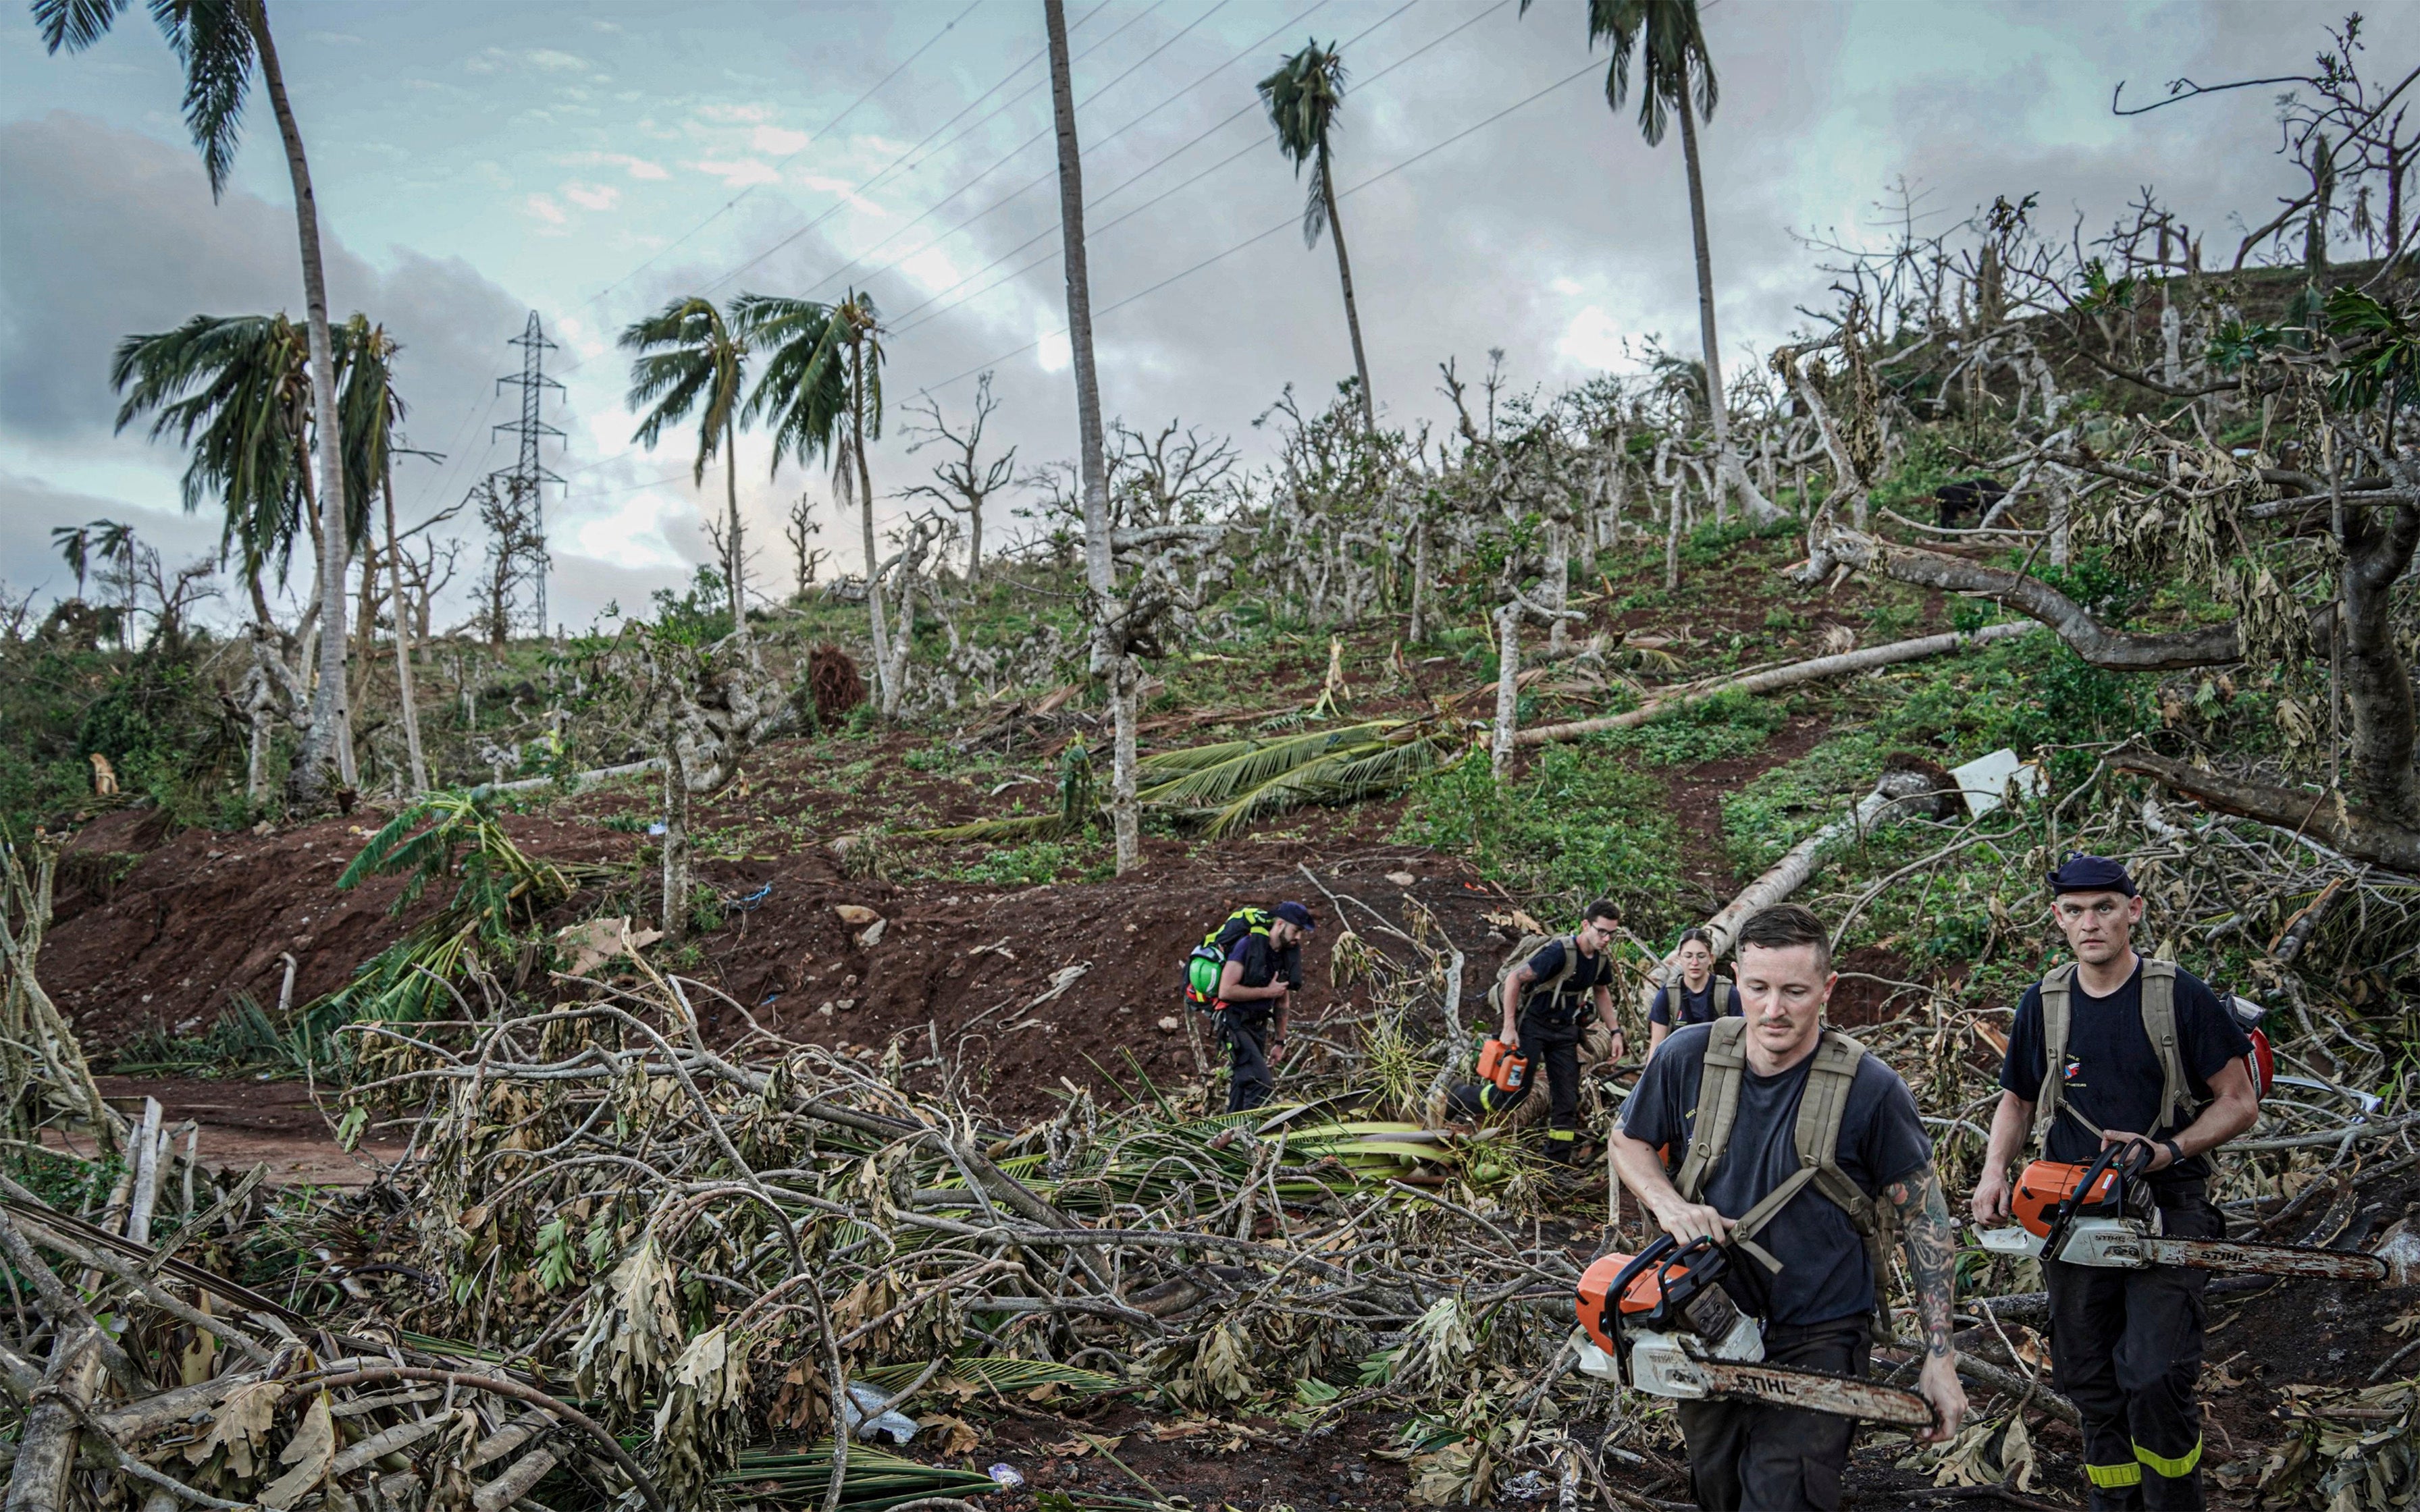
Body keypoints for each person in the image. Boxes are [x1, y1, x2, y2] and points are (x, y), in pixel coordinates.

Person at [1613, 903, 1966, 1511]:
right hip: (1711, 1321)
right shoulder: (1686, 1057)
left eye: (1795, 991)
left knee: (1784, 1496)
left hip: (1821, 1331)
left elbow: (1924, 1220)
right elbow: (1629, 1139)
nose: (1774, 1010)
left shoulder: (1871, 1088)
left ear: (1827, 989)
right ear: (1735, 981)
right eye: (1758, 989)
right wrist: (1669, 1205)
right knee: (1718, 1489)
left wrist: (1941, 1357)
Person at [1970, 855, 2258, 1512]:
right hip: (2071, 1209)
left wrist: (2165, 1149)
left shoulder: (2175, 995)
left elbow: (2237, 1100)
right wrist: (1993, 1175)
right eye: (2074, 910)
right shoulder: (2044, 1001)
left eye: (2103, 906)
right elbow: (2015, 1099)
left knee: (2154, 1375)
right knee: (2089, 1381)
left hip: (2167, 1206)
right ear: (2057, 919)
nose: (2088, 921)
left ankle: (2173, 1500)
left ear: (2132, 909)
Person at [1496, 900, 1629, 1161]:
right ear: (1585, 925)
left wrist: (1615, 1032)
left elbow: (1601, 991)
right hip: (1532, 1025)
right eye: (1601, 931)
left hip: (1565, 1031)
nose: (1606, 939)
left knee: (1567, 1099)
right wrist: (1509, 1027)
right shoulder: (1559, 952)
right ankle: (1463, 1098)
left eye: (1612, 933)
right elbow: (1515, 978)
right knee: (1516, 1091)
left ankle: (1555, 1163)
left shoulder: (1600, 959)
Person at [1213, 900, 1315, 1113]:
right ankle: (1251, 1137)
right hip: (1234, 1024)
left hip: (1258, 1027)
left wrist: (1280, 1041)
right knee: (1261, 1084)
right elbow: (1226, 990)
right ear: (1280, 925)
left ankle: (1227, 1135)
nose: (1298, 937)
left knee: (1242, 1087)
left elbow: (1282, 1000)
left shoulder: (1285, 954)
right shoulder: (1248, 945)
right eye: (1296, 930)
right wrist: (1266, 992)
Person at [1647, 926, 1739, 1059]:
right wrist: (1651, 1078)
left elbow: (1742, 1039)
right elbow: (1656, 1045)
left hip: (1717, 1067)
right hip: (1678, 1065)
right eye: (1688, 956)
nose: (1694, 963)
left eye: (1701, 956)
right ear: (1680, 958)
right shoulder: (1668, 994)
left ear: (1711, 958)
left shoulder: (1727, 993)